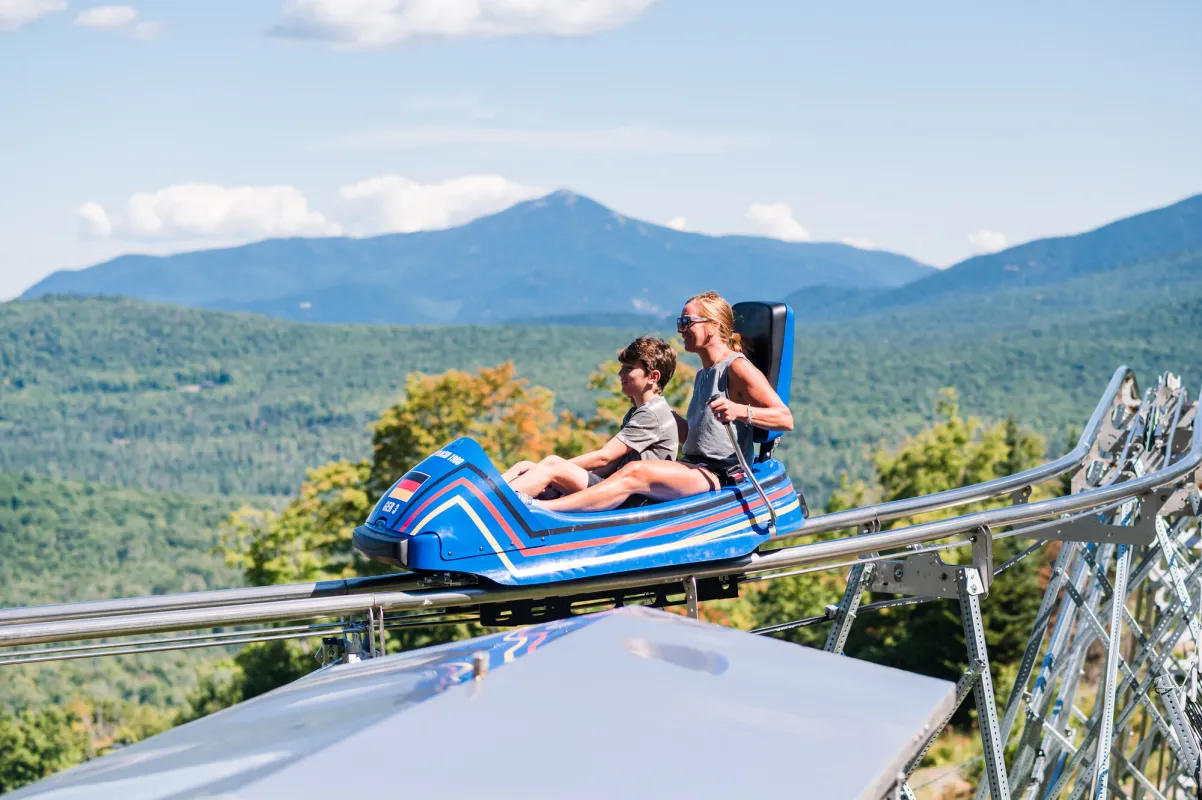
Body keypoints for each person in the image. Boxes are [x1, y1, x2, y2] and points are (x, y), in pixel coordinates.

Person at [539, 291, 793, 513]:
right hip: (693, 465)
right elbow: (698, 434)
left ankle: (545, 510)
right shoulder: (703, 374)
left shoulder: (737, 367)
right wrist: (657, 412)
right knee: (626, 469)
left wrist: (739, 411)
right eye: (679, 322)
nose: (680, 330)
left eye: (687, 322)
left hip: (719, 473)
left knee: (635, 472)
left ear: (712, 326)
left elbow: (784, 418)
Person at [502, 336, 680, 501]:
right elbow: (609, 466)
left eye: (629, 368)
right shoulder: (638, 411)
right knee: (525, 466)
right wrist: (563, 478)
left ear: (653, 377)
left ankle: (493, 507)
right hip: (616, 487)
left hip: (632, 497)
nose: (620, 373)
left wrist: (552, 470)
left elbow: (604, 457)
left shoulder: (651, 414)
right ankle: (485, 500)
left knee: (550, 464)